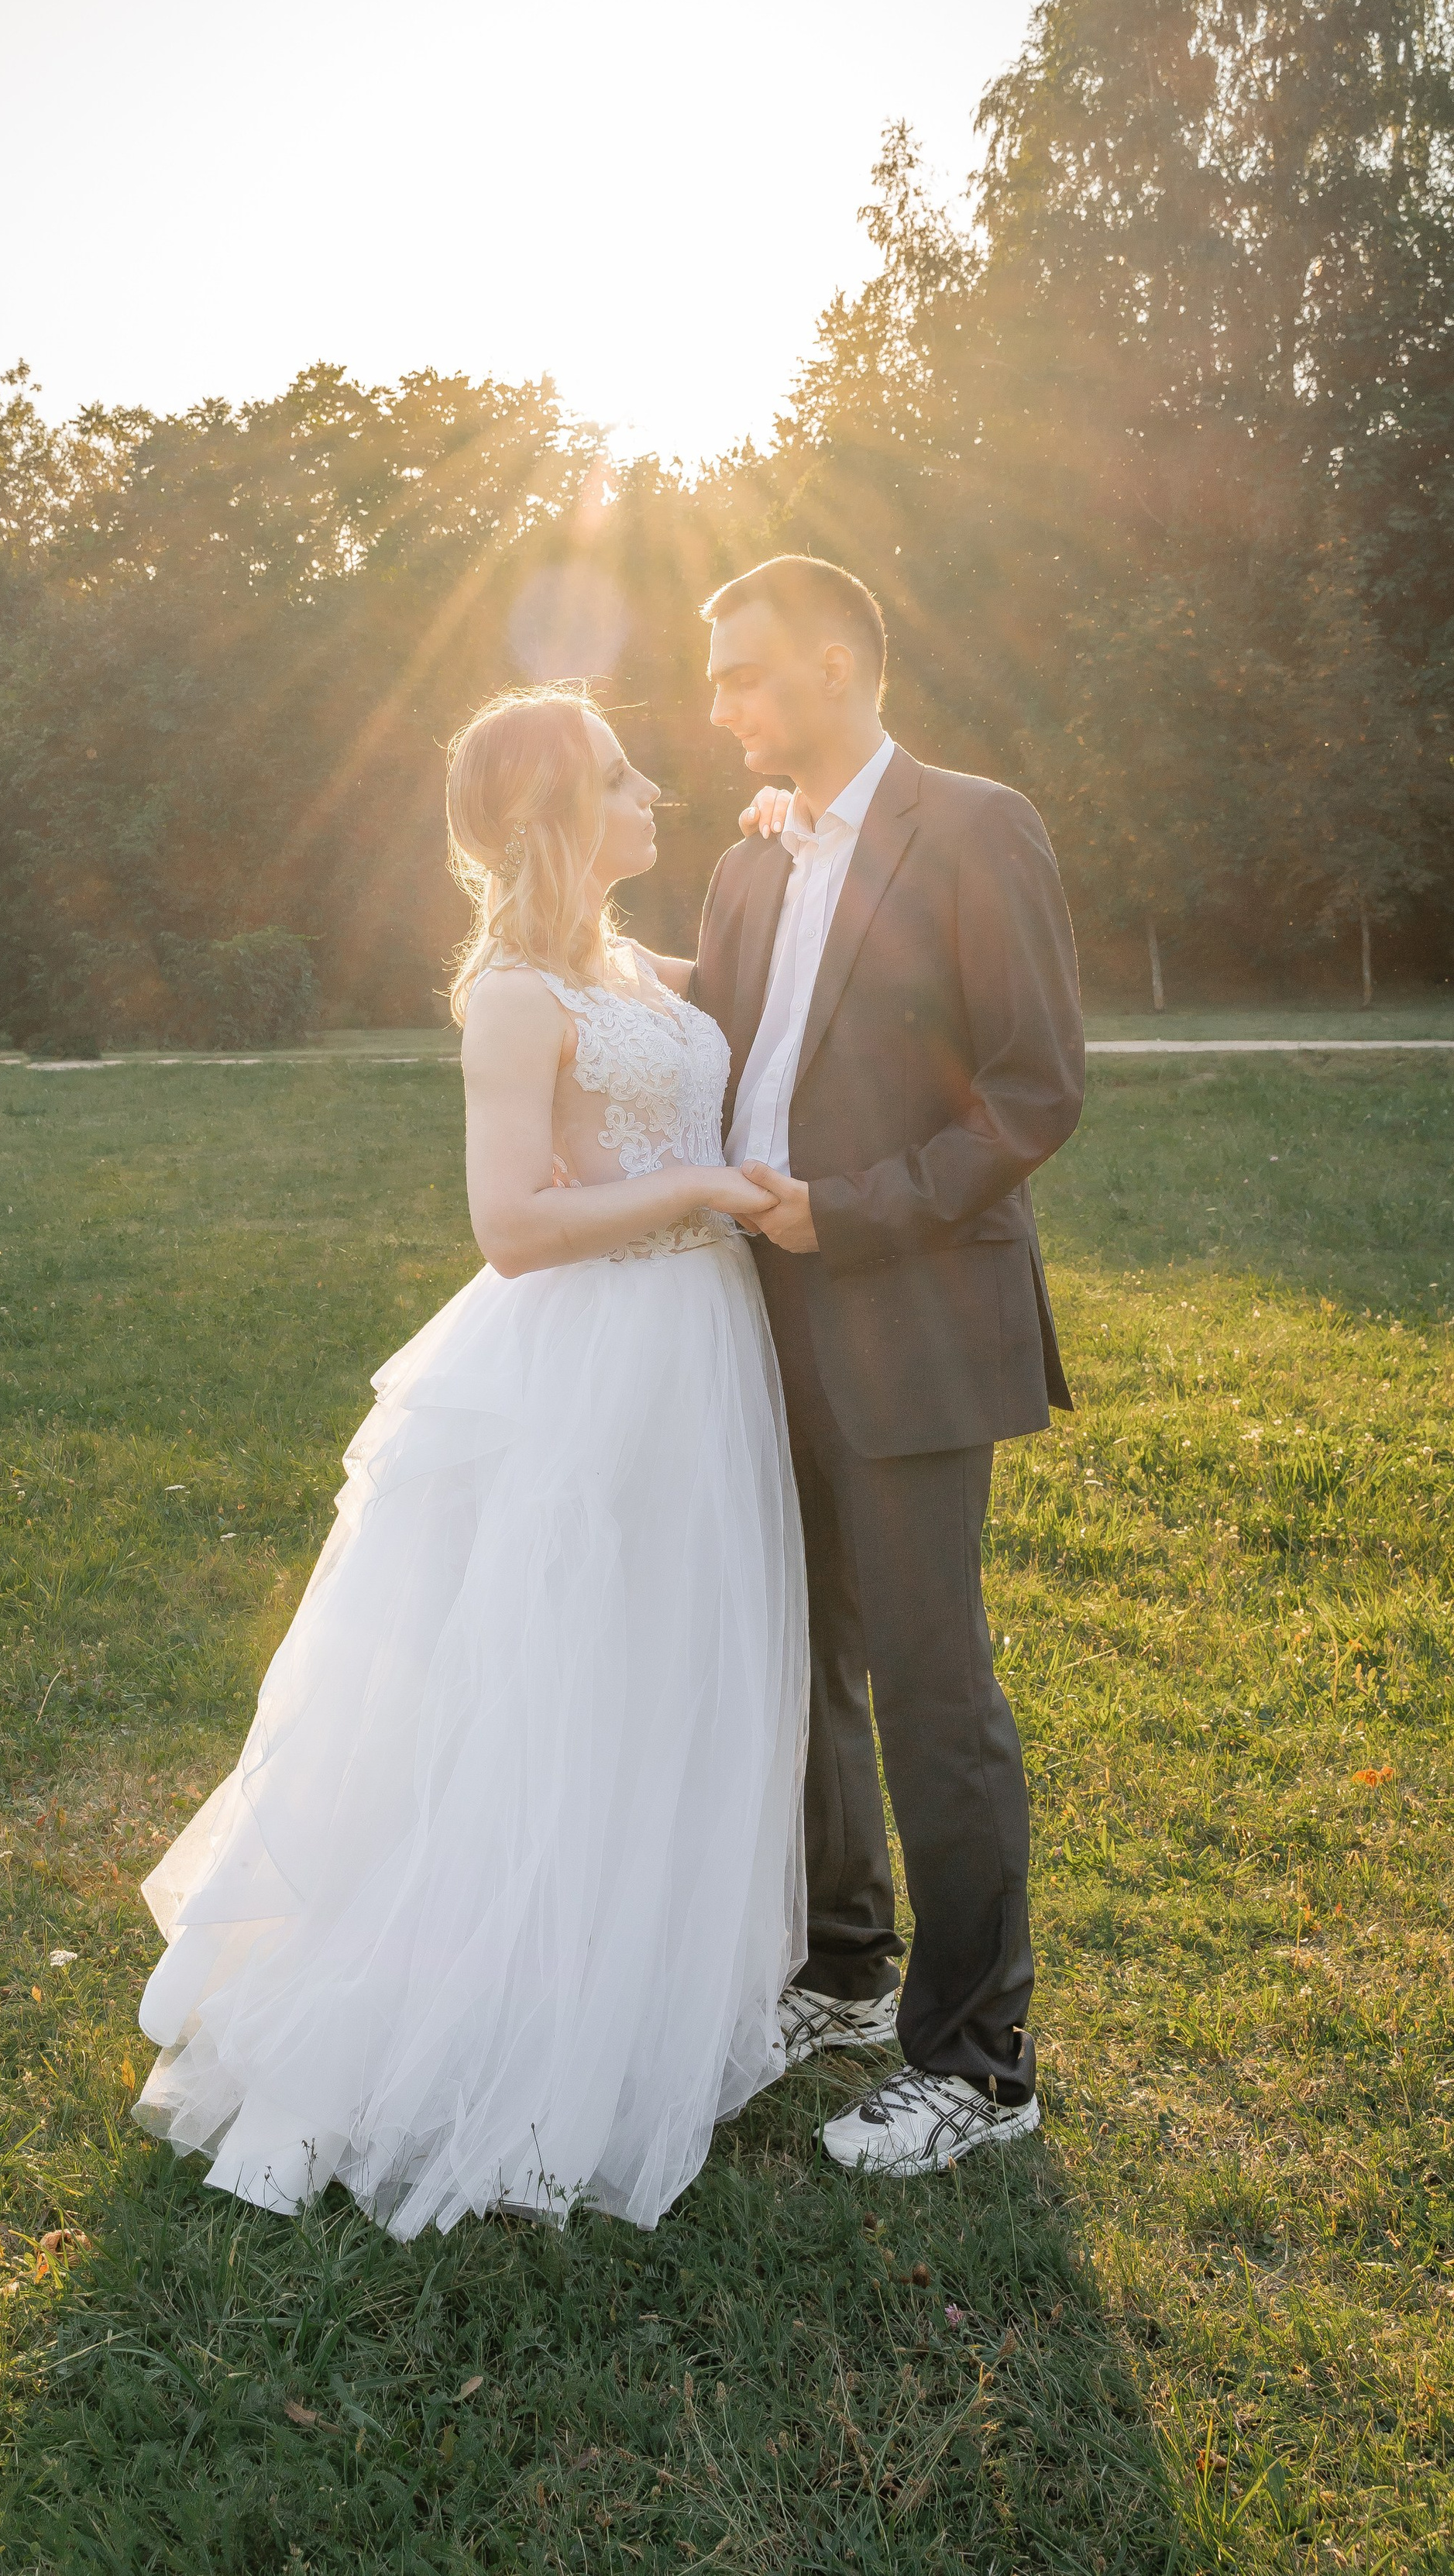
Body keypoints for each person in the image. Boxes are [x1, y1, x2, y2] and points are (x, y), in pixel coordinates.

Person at [134, 688, 809, 2236]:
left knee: (654, 1674)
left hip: (696, 1354)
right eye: (627, 781)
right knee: (537, 1682)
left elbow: (785, 981)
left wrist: (793, 845)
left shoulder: (630, 964)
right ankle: (440, 2020)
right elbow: (508, 1229)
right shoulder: (511, 994)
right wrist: (701, 1182)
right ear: (562, 813)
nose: (656, 797)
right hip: (593, 1356)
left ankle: (618, 1980)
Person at [692, 555, 1084, 2176]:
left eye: (745, 678)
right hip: (751, 1322)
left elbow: (1029, 1093)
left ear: (841, 665)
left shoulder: (974, 826)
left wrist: (842, 1215)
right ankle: (842, 1969)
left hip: (909, 1312)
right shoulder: (743, 861)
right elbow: (726, 1045)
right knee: (798, 1659)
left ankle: (980, 2065)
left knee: (932, 1687)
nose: (719, 710)